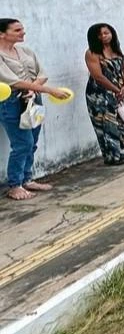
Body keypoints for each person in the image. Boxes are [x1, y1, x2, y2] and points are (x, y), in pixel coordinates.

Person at [0, 18, 70, 200]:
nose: (22, 32)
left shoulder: (25, 51)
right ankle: (15, 185)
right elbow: (12, 81)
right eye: (17, 30)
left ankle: (27, 177)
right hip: (12, 102)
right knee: (23, 143)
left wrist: (32, 89)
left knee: (33, 138)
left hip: (33, 99)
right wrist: (49, 90)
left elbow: (41, 74)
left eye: (21, 29)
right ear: (2, 34)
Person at [84, 23, 124, 166]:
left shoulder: (115, 49)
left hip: (120, 91)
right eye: (100, 34)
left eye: (106, 33)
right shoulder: (92, 53)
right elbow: (98, 76)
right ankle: (115, 155)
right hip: (101, 94)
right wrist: (116, 90)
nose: (104, 36)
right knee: (109, 124)